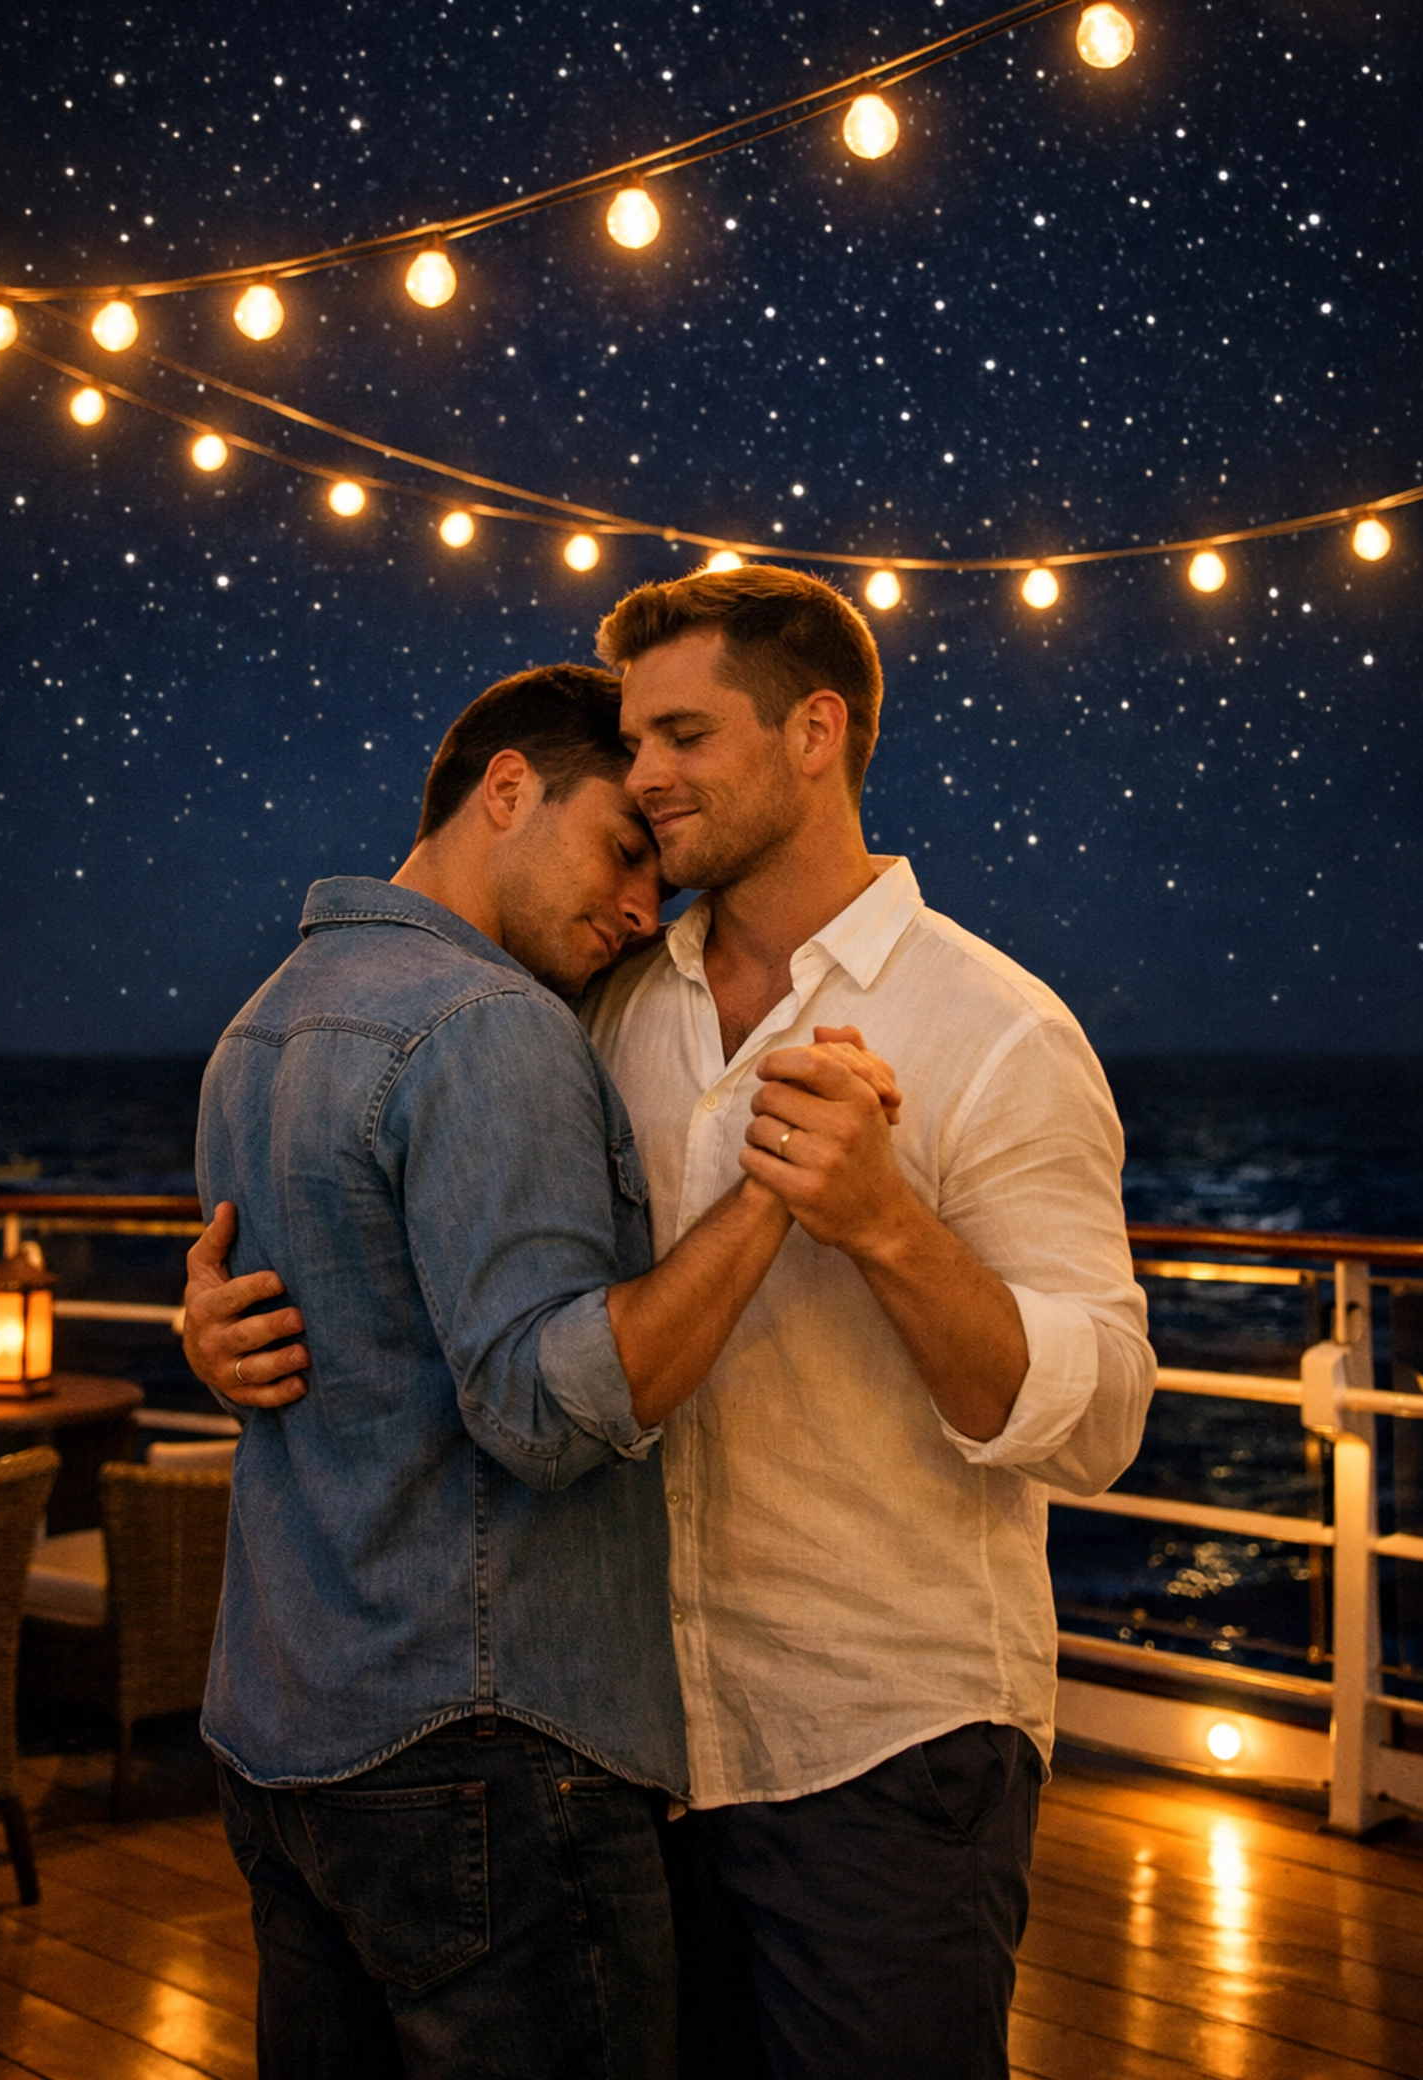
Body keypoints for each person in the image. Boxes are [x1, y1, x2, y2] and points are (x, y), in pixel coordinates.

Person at [191, 572, 1155, 2079]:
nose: (644, 774)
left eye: (684, 736)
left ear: (815, 732)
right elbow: (425, 1211)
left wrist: (886, 1223)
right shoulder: (598, 1006)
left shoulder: (997, 1029)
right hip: (633, 1759)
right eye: (633, 744)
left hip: (877, 1753)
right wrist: (232, 1320)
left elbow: (1099, 1422)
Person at [188, 659, 895, 2080]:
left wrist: (198, 1334)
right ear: (506, 789)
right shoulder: (490, 1024)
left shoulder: (259, 1024)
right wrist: (775, 1190)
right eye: (624, 851)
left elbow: (331, 1318)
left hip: (284, 1738)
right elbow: (542, 1411)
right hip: (482, 1752)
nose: (642, 908)